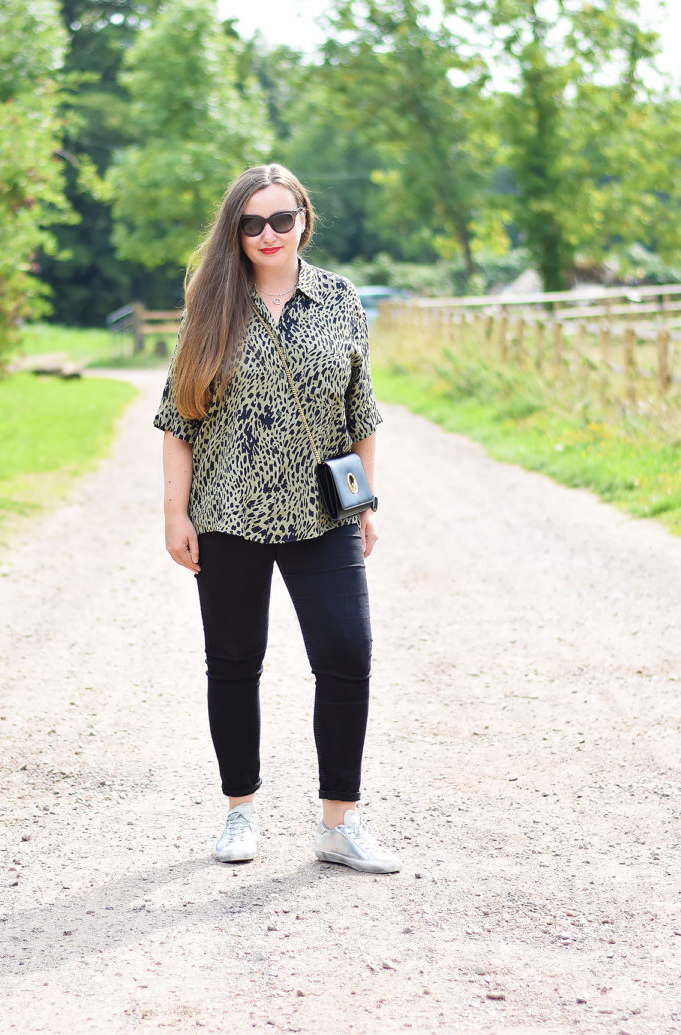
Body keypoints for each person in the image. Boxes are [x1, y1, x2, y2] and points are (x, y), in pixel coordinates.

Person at [153, 163, 400, 874]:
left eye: (281, 220)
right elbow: (179, 419)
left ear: (303, 221)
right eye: (252, 222)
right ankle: (240, 810)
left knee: (347, 655)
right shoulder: (209, 303)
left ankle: (338, 823)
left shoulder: (340, 299)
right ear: (236, 228)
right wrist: (176, 513)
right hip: (228, 514)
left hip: (322, 517)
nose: (267, 234)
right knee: (232, 664)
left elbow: (363, 414)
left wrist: (365, 505)